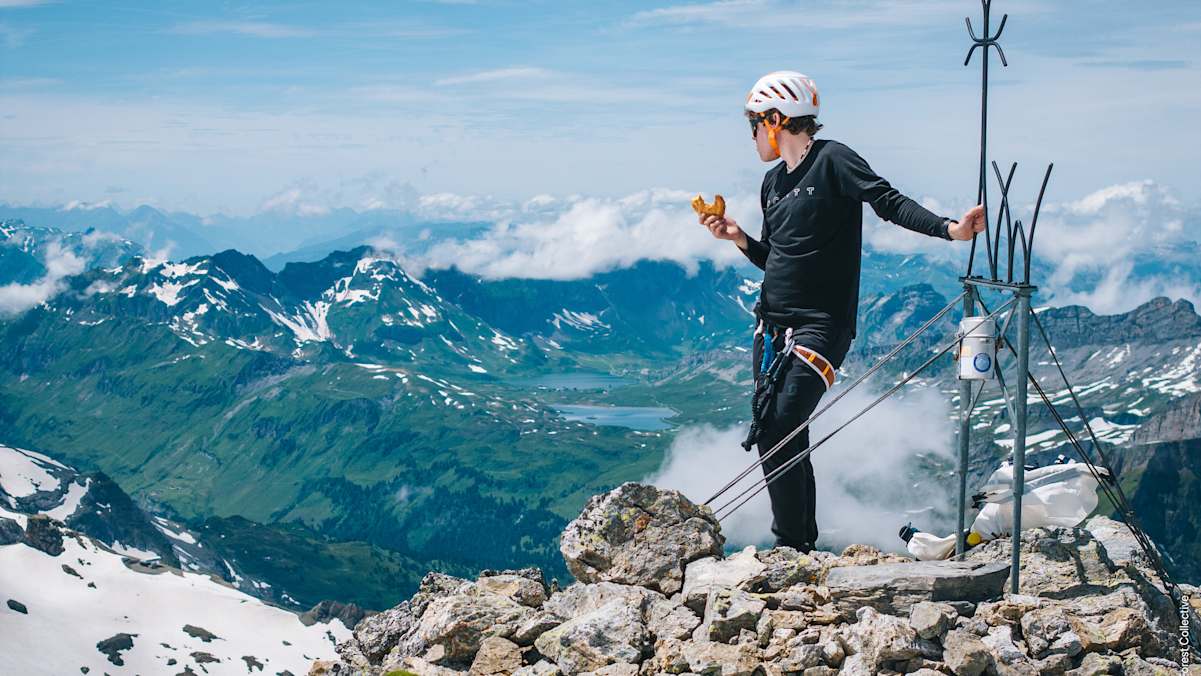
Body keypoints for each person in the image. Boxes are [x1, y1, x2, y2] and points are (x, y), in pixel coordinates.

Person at [699, 70, 986, 552]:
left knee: (778, 425)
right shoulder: (771, 183)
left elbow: (887, 201)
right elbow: (778, 258)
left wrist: (950, 229)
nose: (751, 137)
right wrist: (738, 239)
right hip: (771, 329)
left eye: (753, 125)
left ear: (775, 120)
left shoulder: (833, 159)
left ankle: (792, 546)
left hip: (821, 326)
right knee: (780, 430)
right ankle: (798, 548)